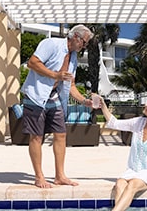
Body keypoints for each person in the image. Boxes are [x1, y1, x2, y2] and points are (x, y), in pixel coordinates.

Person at [20, 24, 95, 188]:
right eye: (84, 42)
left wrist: (84, 101)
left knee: (61, 134)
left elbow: (71, 84)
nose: (84, 46)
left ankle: (60, 176)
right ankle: (39, 176)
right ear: (76, 37)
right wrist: (55, 75)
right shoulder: (52, 44)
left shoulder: (73, 57)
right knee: (36, 137)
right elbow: (32, 63)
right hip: (36, 95)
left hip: (54, 97)